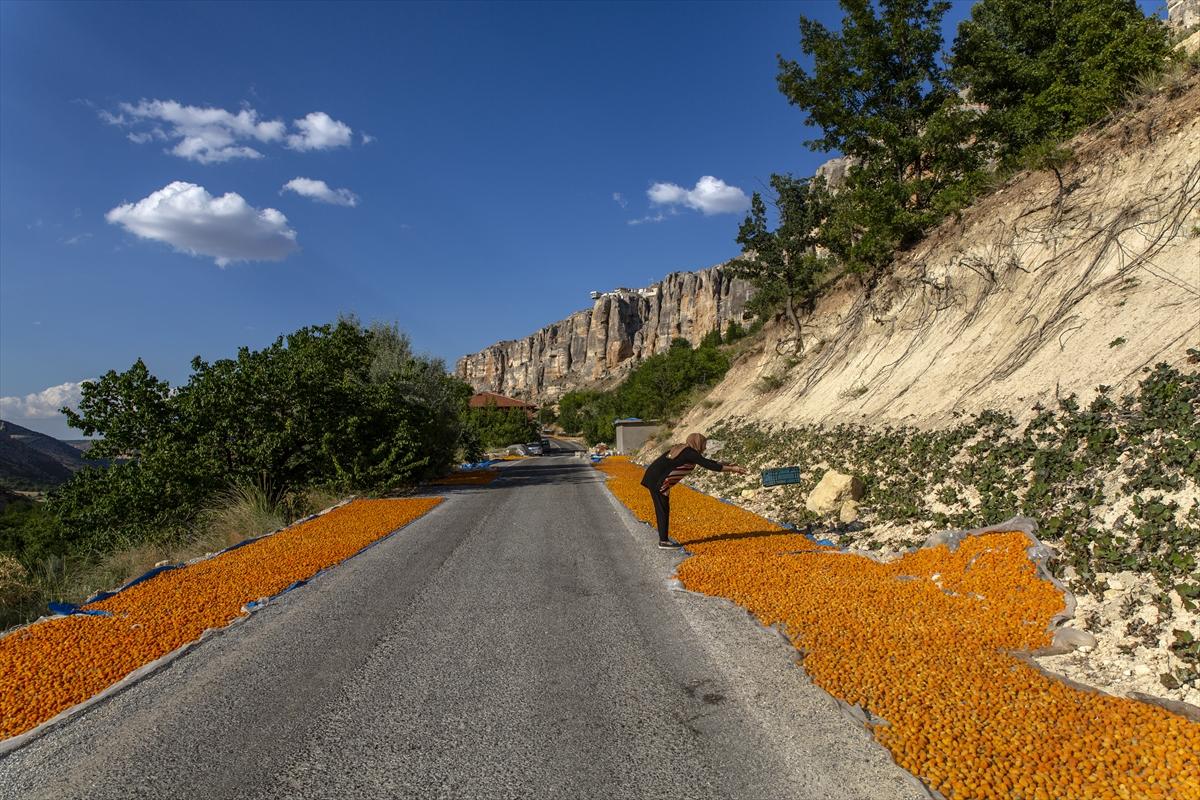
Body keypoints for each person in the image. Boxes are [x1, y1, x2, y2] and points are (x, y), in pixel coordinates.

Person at [639, 432, 747, 549]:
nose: (704, 447)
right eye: (704, 444)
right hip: (657, 480)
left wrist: (727, 465)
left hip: (654, 477)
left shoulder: (685, 450)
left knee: (663, 508)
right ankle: (663, 541)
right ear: (698, 443)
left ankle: (663, 540)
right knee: (662, 508)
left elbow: (705, 461)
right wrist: (732, 469)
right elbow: (709, 465)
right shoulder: (689, 453)